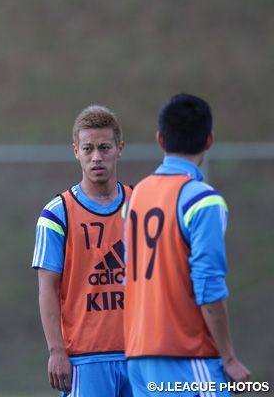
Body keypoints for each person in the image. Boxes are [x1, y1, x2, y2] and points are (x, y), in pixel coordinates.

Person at [124, 93, 250, 395]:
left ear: (159, 139)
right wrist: (228, 357)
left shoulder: (137, 196)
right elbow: (207, 284)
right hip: (185, 355)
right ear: (209, 140)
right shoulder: (202, 199)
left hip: (139, 357)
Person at [32, 105, 133, 396]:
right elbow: (47, 287)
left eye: (105, 147)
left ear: (120, 149)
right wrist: (56, 351)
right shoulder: (57, 214)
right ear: (76, 151)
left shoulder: (143, 207)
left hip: (140, 355)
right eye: (88, 148)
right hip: (85, 360)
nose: (97, 157)